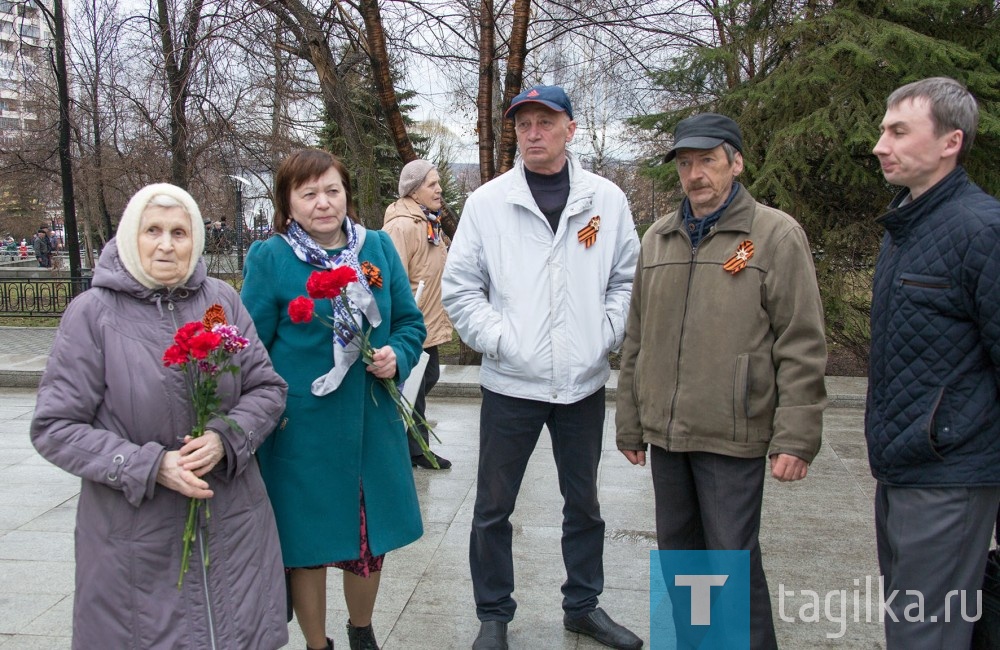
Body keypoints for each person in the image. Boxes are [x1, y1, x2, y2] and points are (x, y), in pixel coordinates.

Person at [29, 183, 289, 649]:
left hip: (233, 527)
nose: (166, 244)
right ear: (131, 235)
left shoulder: (221, 303)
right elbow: (55, 426)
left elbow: (266, 388)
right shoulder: (93, 314)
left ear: (196, 240)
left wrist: (226, 437)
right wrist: (150, 466)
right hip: (137, 540)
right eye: (153, 230)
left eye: (179, 232)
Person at [615, 113, 827, 649]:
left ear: (736, 162)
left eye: (708, 160)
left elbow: (800, 342)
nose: (695, 174)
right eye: (685, 164)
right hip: (667, 434)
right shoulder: (658, 238)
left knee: (731, 559)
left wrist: (796, 436)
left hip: (733, 433)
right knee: (682, 561)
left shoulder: (774, 235)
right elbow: (637, 338)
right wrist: (630, 421)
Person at [442, 85, 642, 650]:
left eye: (545, 122)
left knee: (584, 504)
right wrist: (499, 339)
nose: (533, 132)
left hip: (581, 384)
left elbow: (627, 280)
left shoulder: (607, 201)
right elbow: (460, 288)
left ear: (570, 129)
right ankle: (493, 615)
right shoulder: (488, 203)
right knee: (493, 506)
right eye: (524, 123)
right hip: (511, 383)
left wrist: (601, 335)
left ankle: (582, 605)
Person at [241, 148, 426, 650]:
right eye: (309, 194)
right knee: (306, 544)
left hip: (371, 423)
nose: (323, 203)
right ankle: (316, 644)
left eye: (332, 190)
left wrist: (397, 355)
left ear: (346, 194)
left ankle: (361, 632)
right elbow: (250, 348)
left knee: (369, 542)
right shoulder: (271, 258)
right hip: (301, 432)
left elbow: (410, 323)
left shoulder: (379, 249)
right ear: (288, 202)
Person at [866, 77, 1000, 649]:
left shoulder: (983, 229)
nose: (880, 144)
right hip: (900, 470)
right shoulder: (905, 229)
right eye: (882, 130)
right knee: (914, 630)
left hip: (953, 476)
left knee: (927, 636)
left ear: (951, 141)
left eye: (898, 131)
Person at [383, 159, 453, 470]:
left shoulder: (429, 222)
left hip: (428, 322)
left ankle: (405, 441)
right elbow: (389, 278)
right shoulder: (401, 225)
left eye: (438, 183)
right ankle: (416, 448)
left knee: (427, 378)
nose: (439, 189)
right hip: (411, 326)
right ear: (414, 191)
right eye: (431, 184)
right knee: (415, 386)